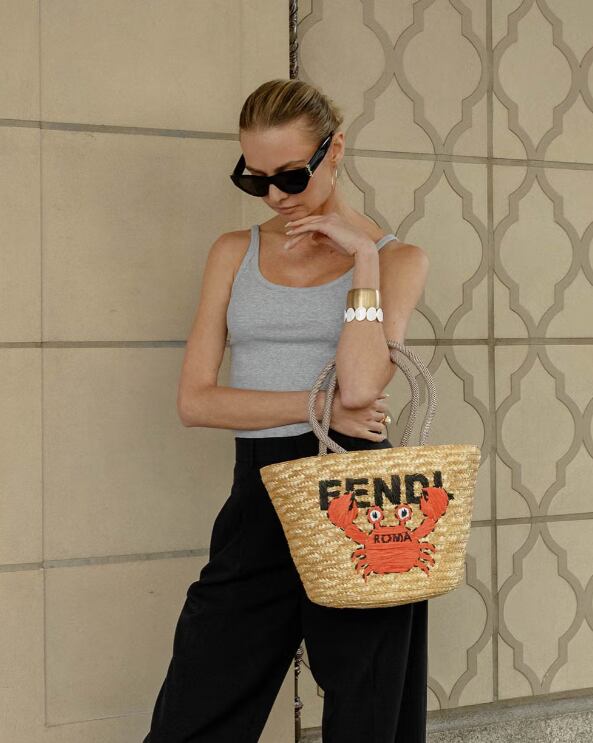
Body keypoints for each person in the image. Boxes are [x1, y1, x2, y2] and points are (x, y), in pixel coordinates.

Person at [142, 78, 430, 743]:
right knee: (196, 708)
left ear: (336, 151)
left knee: (368, 719)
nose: (275, 196)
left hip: (363, 501)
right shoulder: (233, 252)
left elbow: (361, 385)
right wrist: (314, 405)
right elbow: (195, 401)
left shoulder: (398, 260)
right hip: (259, 496)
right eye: (255, 179)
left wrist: (363, 259)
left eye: (292, 176)